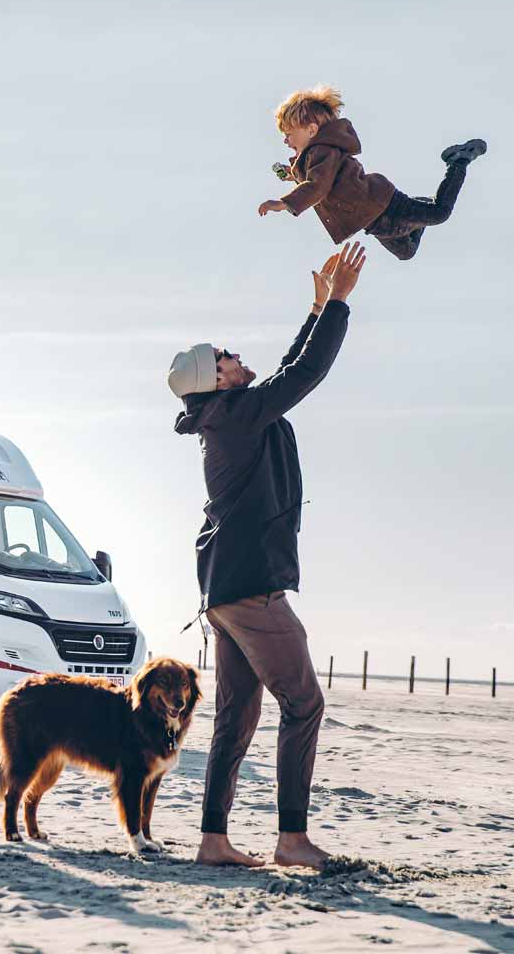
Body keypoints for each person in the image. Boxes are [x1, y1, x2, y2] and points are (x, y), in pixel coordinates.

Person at [168, 242, 366, 869]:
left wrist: (315, 308)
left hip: (225, 587)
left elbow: (285, 370)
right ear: (216, 380)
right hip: (251, 586)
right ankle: (291, 838)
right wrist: (337, 306)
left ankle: (213, 841)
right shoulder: (237, 415)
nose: (236, 358)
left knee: (238, 716)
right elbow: (304, 375)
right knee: (304, 703)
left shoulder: (231, 412)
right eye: (227, 358)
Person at [258, 84, 486, 261]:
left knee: (439, 213)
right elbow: (317, 179)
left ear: (311, 130)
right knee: (406, 252)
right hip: (374, 222)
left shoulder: (322, 150)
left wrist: (284, 203)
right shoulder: (314, 157)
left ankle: (458, 161)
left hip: (385, 206)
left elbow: (318, 185)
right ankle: (419, 208)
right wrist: (292, 175)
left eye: (288, 133)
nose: (285, 140)